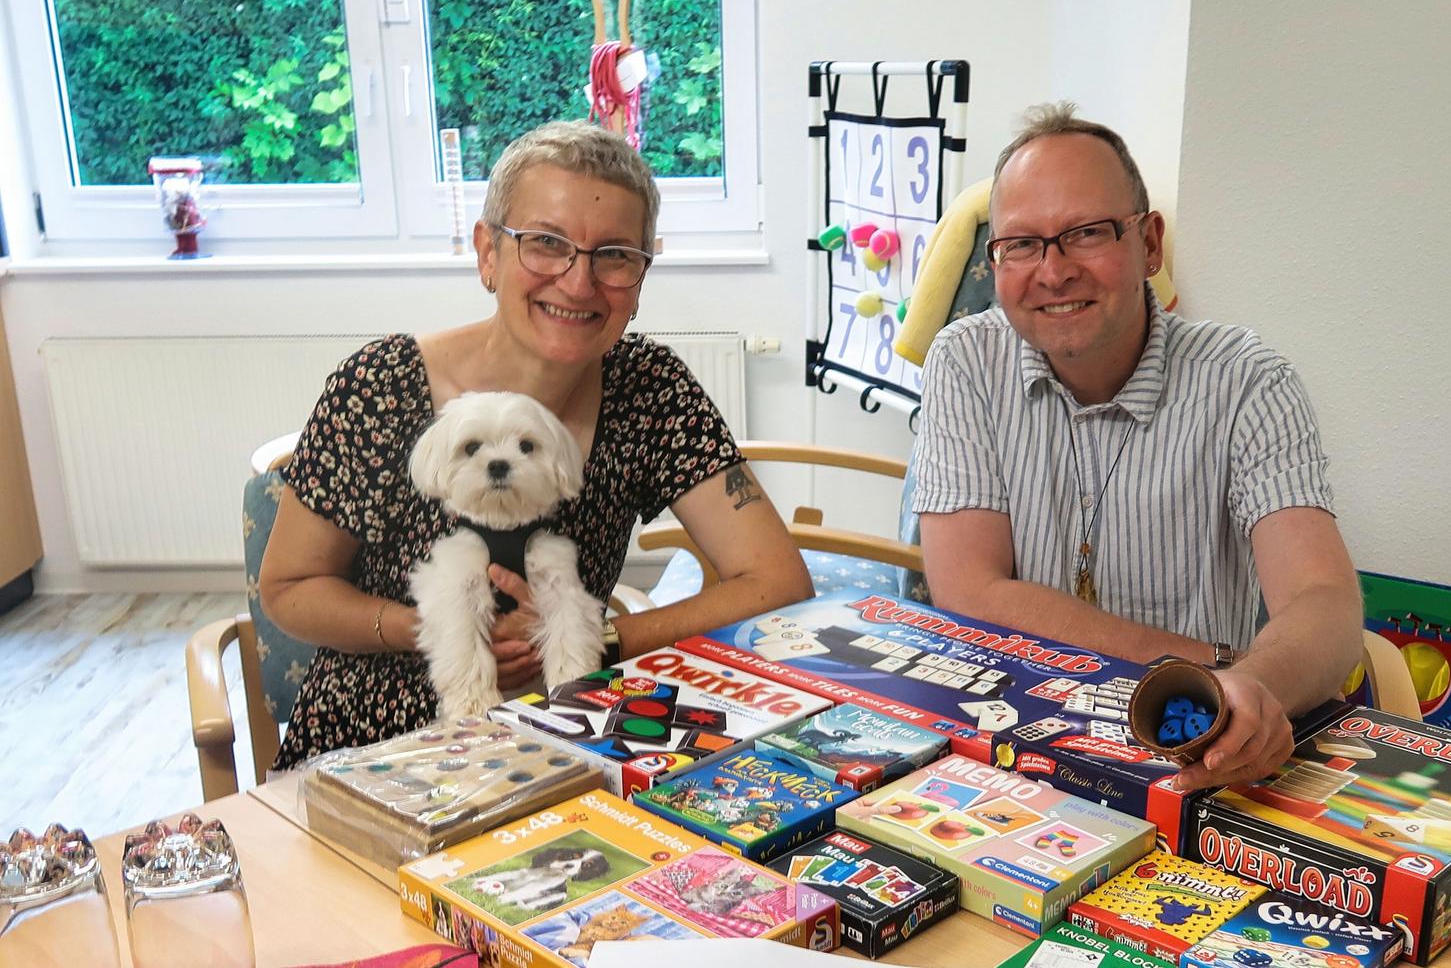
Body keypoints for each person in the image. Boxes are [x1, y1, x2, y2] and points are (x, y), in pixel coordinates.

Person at [261, 121, 813, 768]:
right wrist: (438, 627)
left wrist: (595, 636)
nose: (579, 283)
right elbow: (290, 587)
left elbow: (776, 579)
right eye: (546, 244)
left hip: (562, 730)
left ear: (640, 276)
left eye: (614, 255)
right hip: (372, 746)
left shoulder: (652, 389)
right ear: (488, 252)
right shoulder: (379, 386)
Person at [914, 102, 1362, 792]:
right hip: (1004, 750)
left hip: (1196, 758)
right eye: (1022, 244)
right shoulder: (965, 360)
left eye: (1086, 233)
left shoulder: (1247, 379)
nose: (1053, 271)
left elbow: (1326, 603)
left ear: (1149, 243)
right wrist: (1201, 665)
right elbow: (969, 590)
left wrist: (1248, 686)